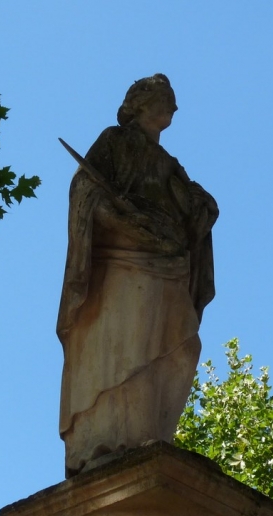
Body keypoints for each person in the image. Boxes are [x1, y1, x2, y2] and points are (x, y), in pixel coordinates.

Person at [57, 74, 218, 477]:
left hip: (169, 263)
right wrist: (131, 225)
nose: (174, 109)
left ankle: (153, 434)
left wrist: (201, 209)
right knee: (128, 343)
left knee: (182, 347)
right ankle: (110, 437)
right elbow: (87, 192)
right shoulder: (114, 140)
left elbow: (195, 209)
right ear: (140, 104)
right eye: (166, 100)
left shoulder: (170, 165)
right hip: (125, 259)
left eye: (174, 101)